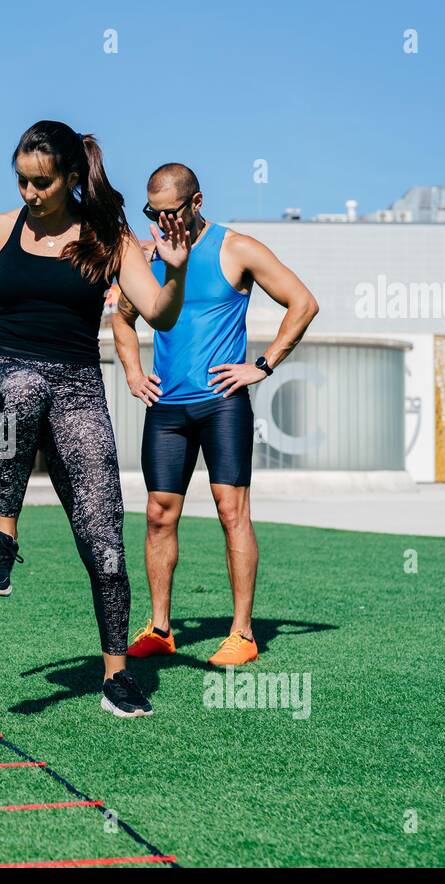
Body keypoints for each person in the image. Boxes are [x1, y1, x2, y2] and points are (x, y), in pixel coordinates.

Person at [0, 120, 189, 719]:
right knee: (26, 388)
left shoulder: (108, 237)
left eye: (42, 183)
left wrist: (176, 269)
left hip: (79, 388)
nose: (29, 194)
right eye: (22, 181)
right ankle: (3, 534)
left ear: (72, 178)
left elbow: (158, 313)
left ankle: (116, 675)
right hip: (6, 372)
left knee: (103, 533)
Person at [113, 163, 318, 667]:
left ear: (197, 201)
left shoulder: (237, 248)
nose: (161, 223)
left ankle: (243, 633)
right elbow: (120, 319)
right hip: (168, 408)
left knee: (232, 513)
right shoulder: (147, 255)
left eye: (171, 212)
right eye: (152, 214)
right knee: (159, 515)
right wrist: (134, 374)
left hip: (222, 403)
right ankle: (160, 628)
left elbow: (303, 302)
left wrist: (261, 367)